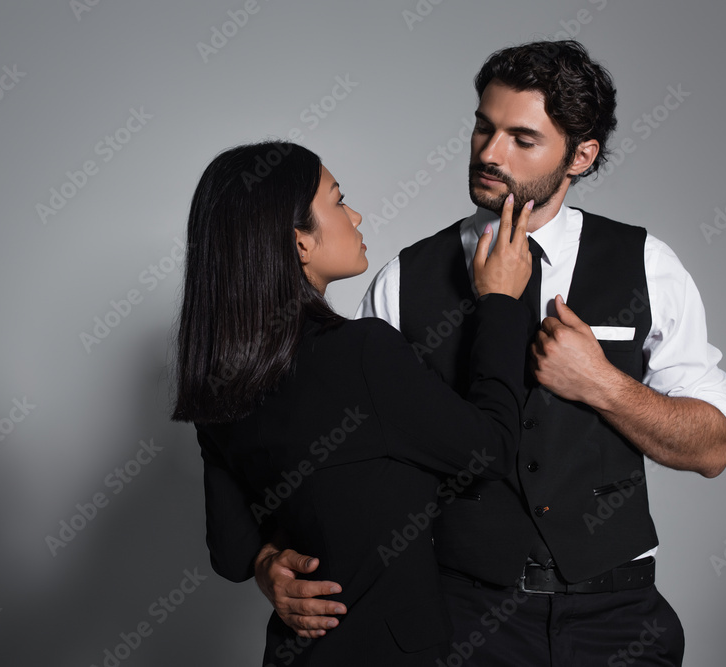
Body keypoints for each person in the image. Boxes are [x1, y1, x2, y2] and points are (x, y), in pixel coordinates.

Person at [255, 41, 726, 666]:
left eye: (522, 139)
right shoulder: (407, 279)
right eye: (484, 127)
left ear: (581, 156)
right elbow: (334, 459)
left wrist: (602, 384)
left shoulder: (647, 266)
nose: (489, 152)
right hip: (463, 620)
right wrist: (266, 558)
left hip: (618, 620)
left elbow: (713, 450)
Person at [171, 140, 542, 665]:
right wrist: (501, 305)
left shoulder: (218, 380)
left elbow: (232, 554)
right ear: (300, 242)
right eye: (339, 201)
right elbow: (494, 450)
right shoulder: (361, 353)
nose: (357, 214)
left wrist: (267, 563)